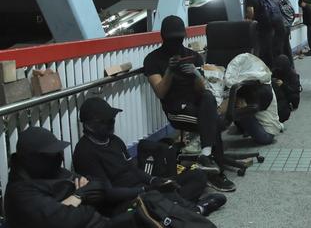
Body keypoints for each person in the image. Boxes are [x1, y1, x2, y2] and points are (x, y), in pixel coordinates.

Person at [72, 98, 228, 216]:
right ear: (88, 125)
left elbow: (132, 169)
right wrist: (146, 188)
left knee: (197, 176)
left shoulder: (114, 140)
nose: (111, 124)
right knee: (156, 195)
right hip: (122, 202)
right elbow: (108, 194)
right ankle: (193, 210)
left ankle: (175, 208)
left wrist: (154, 180)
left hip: (141, 188)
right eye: (105, 122)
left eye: (112, 120)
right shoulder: (85, 152)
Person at [144, 15, 235, 191]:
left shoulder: (192, 56)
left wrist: (195, 74)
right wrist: (170, 70)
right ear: (164, 38)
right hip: (175, 107)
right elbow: (161, 92)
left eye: (179, 38)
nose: (176, 43)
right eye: (172, 39)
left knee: (208, 96)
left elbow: (201, 90)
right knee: (214, 123)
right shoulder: (153, 60)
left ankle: (206, 155)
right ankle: (215, 172)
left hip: (196, 101)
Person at [4, 127, 142, 228]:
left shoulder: (50, 172)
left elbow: (97, 185)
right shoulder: (20, 193)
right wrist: (79, 196)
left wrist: (78, 198)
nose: (58, 158)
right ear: (33, 160)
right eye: (51, 155)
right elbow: (66, 219)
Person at [243, 0, 279, 67]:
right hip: (271, 24)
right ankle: (272, 69)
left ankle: (267, 71)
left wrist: (246, 20)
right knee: (269, 50)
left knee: (262, 51)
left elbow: (250, 14)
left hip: (262, 27)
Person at [260, 0, 293, 68]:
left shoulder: (269, 4)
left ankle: (281, 70)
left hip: (278, 30)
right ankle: (291, 67)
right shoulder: (280, 1)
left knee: (278, 51)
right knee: (287, 49)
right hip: (287, 27)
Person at [271, 54, 301, 122]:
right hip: (281, 94)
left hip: (290, 94)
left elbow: (294, 90)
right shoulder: (276, 71)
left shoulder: (292, 74)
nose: (280, 69)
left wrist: (283, 85)